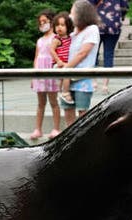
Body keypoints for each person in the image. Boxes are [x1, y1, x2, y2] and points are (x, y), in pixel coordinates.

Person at [59, 0, 101, 127]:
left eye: (72, 12)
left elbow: (83, 53)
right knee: (67, 110)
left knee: (83, 113)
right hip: (68, 79)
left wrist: (67, 68)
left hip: (82, 80)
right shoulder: (73, 34)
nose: (71, 16)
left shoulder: (92, 30)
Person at [31, 9, 61, 140]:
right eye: (40, 22)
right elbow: (36, 57)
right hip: (40, 72)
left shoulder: (56, 38)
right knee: (40, 103)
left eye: (45, 21)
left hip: (51, 71)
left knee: (54, 102)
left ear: (51, 22)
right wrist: (33, 75)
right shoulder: (39, 41)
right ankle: (38, 129)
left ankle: (56, 128)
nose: (42, 24)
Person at [91, 0, 128, 93]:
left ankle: (93, 82)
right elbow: (125, 7)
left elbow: (89, 5)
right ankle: (105, 86)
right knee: (109, 55)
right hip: (113, 25)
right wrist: (121, 17)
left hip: (97, 25)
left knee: (93, 54)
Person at [52, 12, 75, 106]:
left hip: (66, 63)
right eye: (57, 25)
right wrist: (58, 60)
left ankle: (60, 92)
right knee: (68, 73)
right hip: (59, 64)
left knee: (64, 77)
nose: (59, 27)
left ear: (68, 27)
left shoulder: (70, 38)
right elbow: (52, 50)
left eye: (62, 25)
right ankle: (65, 93)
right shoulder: (57, 39)